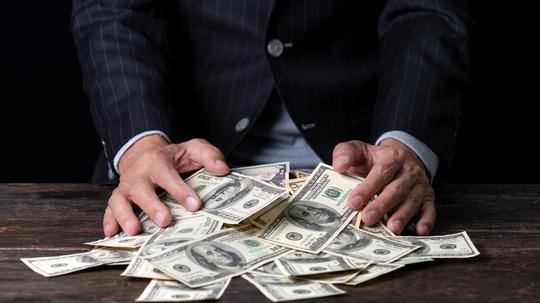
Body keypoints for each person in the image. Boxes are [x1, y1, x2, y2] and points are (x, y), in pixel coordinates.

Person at [72, 1, 471, 237]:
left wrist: (406, 139)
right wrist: (141, 144)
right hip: (176, 164)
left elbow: (427, 9)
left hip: (369, 165)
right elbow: (112, 9)